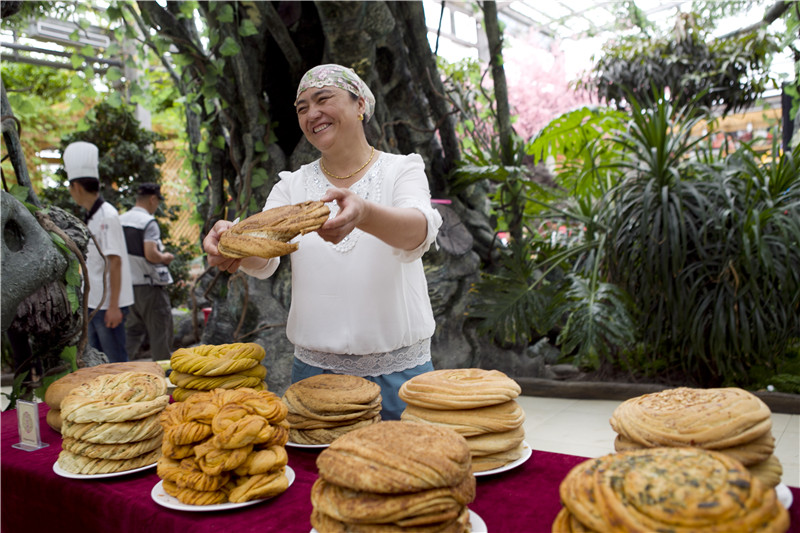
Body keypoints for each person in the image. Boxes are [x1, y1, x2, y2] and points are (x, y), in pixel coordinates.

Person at [203, 64, 443, 420]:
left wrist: (364, 213)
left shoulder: (401, 170)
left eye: (323, 99)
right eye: (301, 108)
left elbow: (419, 231)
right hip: (314, 375)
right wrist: (229, 244)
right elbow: (264, 256)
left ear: (360, 104)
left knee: (409, 471)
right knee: (317, 475)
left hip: (399, 374)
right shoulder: (292, 186)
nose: (311, 113)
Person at [63, 141, 134, 363]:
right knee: (95, 363)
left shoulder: (107, 215)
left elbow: (115, 262)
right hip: (93, 303)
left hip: (107, 306)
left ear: (76, 186)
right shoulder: (91, 216)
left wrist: (114, 306)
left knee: (115, 363)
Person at [120, 182, 175, 361]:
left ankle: (120, 371)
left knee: (132, 333)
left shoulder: (120, 220)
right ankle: (164, 377)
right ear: (152, 199)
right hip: (149, 287)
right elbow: (151, 254)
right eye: (157, 201)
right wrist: (165, 257)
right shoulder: (148, 222)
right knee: (161, 333)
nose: (157, 206)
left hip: (127, 287)